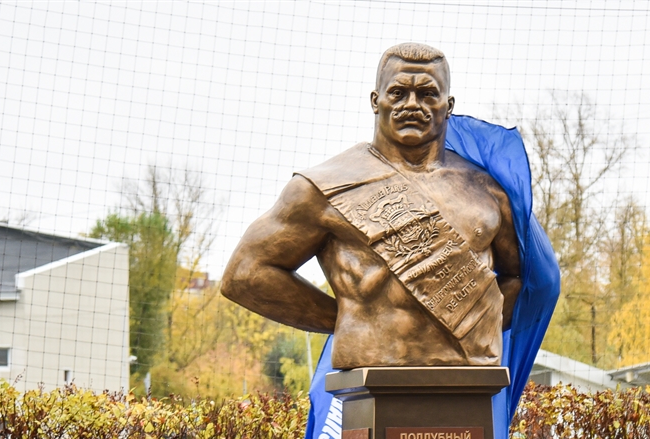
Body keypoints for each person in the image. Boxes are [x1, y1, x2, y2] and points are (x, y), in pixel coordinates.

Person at [221, 42, 523, 369]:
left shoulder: (487, 192)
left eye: (427, 94)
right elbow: (245, 274)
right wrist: (348, 319)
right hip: (370, 367)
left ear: (447, 105)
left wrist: (479, 324)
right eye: (397, 93)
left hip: (468, 376)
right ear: (375, 101)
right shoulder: (325, 188)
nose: (412, 104)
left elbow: (520, 280)